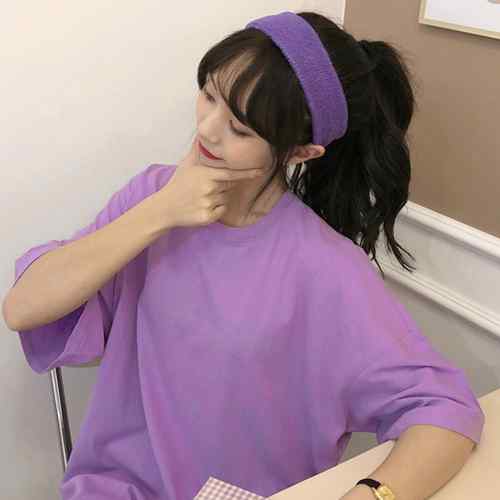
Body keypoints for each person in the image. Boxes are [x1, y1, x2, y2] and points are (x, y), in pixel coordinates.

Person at [4, 11, 484, 500]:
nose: (207, 129)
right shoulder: (151, 195)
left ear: (301, 152)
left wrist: (370, 494)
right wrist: (160, 212)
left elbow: (445, 410)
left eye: (239, 127)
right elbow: (23, 308)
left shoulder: (325, 266)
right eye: (209, 94)